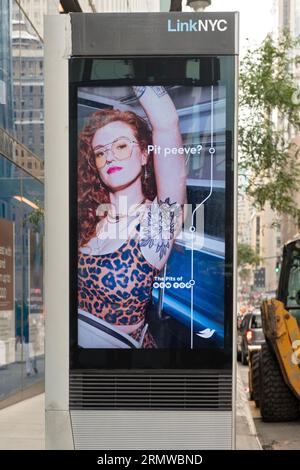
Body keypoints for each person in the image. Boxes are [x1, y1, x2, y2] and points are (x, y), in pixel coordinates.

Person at [77, 86, 186, 349]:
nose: (110, 155)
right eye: (101, 152)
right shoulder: (89, 217)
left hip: (122, 360)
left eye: (122, 146)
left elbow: (167, 125)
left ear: (144, 154)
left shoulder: (155, 223)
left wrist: (139, 70)